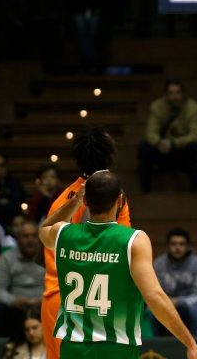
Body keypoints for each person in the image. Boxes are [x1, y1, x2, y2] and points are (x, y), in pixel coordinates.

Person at [38, 171, 197, 359]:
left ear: (86, 201)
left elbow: (44, 229)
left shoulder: (63, 234)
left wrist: (76, 200)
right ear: (120, 200)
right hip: (117, 348)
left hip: (72, 348)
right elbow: (154, 296)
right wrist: (190, 343)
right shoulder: (133, 240)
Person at [39, 126, 131, 359]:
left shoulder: (63, 199)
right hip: (91, 301)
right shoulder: (114, 198)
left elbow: (46, 234)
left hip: (57, 300)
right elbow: (118, 249)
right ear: (110, 156)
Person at [137, 80, 197, 193]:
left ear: (183, 94)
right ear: (166, 94)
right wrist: (159, 142)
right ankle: (145, 190)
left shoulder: (193, 108)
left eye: (178, 92)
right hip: (162, 150)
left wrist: (175, 143)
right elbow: (151, 133)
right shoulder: (157, 107)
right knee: (144, 148)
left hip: (182, 150)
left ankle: (195, 191)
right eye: (171, 93)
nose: (175, 97)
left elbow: (195, 134)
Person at [0, 220, 45, 338]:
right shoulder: (6, 258)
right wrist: (13, 301)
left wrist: (43, 300)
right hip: (15, 309)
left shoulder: (49, 258)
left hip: (43, 306)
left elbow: (58, 286)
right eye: (25, 236)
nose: (30, 240)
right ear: (18, 239)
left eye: (34, 236)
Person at [153, 228, 197, 336]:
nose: (177, 248)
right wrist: (166, 301)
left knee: (196, 312)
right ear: (168, 246)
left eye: (181, 244)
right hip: (164, 302)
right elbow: (153, 290)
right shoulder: (159, 263)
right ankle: (153, 347)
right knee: (150, 312)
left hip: (189, 304)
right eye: (174, 244)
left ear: (187, 246)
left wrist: (179, 301)